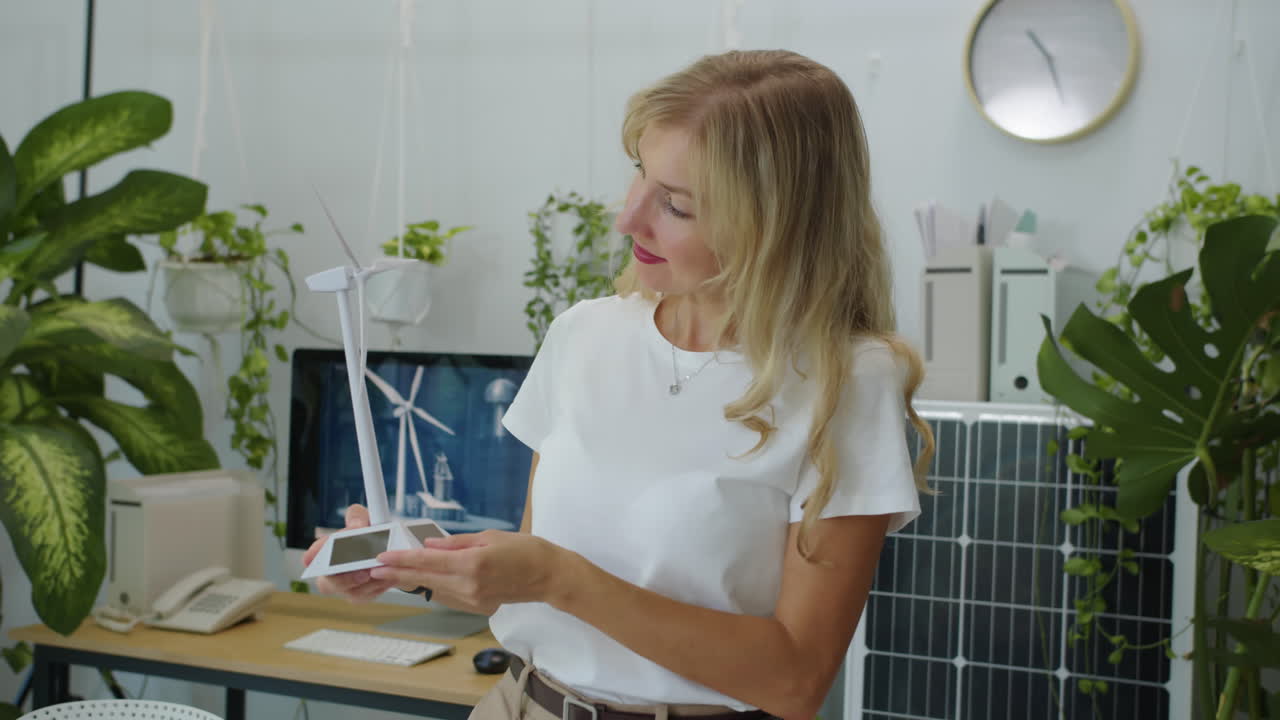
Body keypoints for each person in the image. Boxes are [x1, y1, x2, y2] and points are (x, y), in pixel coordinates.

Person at [303, 49, 935, 720]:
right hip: (523, 704)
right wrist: (411, 565)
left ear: (777, 228)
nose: (628, 218)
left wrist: (557, 577)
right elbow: (517, 581)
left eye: (679, 206)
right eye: (639, 172)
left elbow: (795, 681)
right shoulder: (585, 334)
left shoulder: (847, 383)